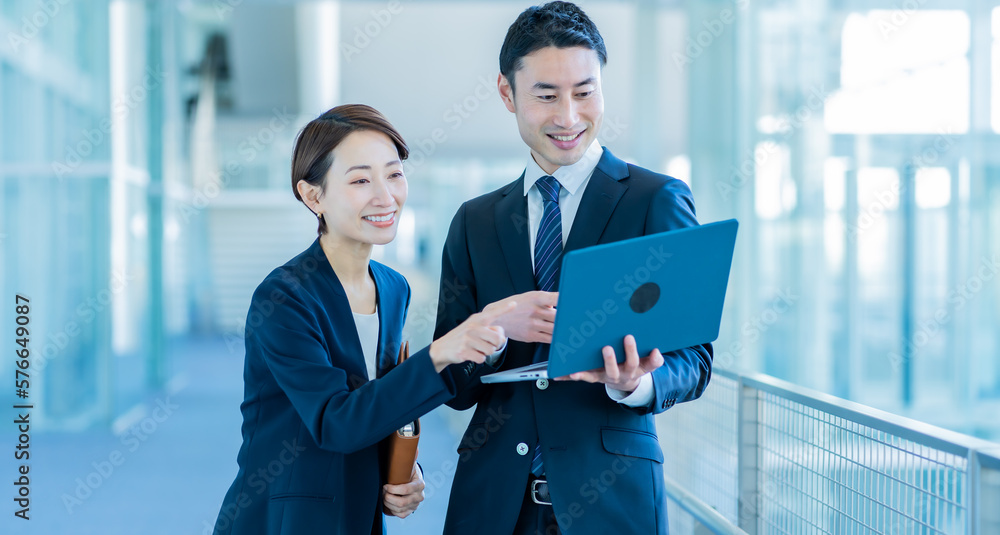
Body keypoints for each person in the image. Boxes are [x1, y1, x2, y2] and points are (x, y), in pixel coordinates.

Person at [436, 3, 713, 534]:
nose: (568, 116)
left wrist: (638, 384)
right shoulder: (474, 222)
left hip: (609, 502)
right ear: (506, 93)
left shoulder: (656, 200)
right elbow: (455, 382)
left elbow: (695, 358)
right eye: (546, 96)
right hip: (493, 504)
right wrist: (490, 334)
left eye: (585, 92)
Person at [212, 104, 509, 535]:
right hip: (284, 520)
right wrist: (440, 354)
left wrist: (404, 468)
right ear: (314, 196)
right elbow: (336, 421)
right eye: (360, 180)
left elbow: (380, 400)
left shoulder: (393, 289)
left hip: (359, 515)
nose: (385, 196)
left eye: (393, 174)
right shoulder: (284, 297)